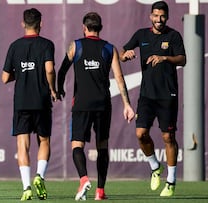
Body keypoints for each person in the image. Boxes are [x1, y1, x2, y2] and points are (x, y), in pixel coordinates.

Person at [57, 12, 135, 201]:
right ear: (100, 28)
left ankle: (84, 179)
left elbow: (62, 70)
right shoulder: (110, 48)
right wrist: (127, 104)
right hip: (102, 104)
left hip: (82, 103)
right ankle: (100, 191)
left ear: (84, 28)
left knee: (77, 144)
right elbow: (119, 78)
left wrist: (58, 89)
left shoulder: (76, 46)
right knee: (102, 146)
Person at [119, 1, 186, 197]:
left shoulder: (173, 36)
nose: (159, 19)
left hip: (168, 95)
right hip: (147, 95)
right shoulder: (142, 35)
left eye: (162, 16)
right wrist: (126, 55)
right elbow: (122, 53)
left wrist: (165, 58)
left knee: (168, 137)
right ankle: (155, 166)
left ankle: (171, 181)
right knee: (140, 133)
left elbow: (183, 59)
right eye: (156, 16)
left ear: (167, 16)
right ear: (150, 16)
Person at [2, 8, 58, 201]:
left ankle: (26, 187)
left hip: (22, 101)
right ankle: (39, 176)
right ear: (40, 23)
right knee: (44, 141)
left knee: (22, 145)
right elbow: (49, 70)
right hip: (41, 99)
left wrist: (23, 73)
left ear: (23, 24)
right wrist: (52, 89)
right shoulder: (46, 44)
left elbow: (4, 77)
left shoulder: (15, 46)